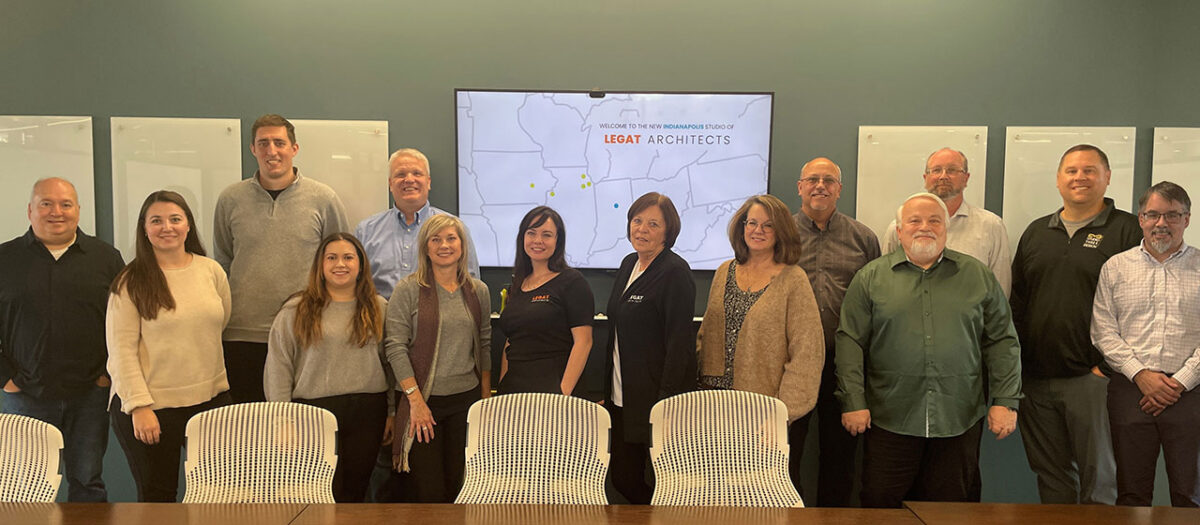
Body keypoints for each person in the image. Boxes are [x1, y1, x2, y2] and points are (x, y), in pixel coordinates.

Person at [836, 193, 1022, 508]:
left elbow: (1002, 340)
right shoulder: (870, 278)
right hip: (888, 416)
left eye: (934, 220)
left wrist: (1006, 400)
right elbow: (850, 341)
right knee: (881, 505)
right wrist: (852, 400)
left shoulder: (977, 276)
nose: (925, 227)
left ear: (946, 228)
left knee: (951, 508)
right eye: (915, 221)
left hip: (958, 417)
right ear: (899, 230)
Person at [1011, 144, 1140, 504]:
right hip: (1036, 379)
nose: (1079, 177)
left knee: (1100, 478)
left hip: (1094, 380)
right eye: (1071, 170)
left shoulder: (1128, 231)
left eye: (1089, 170)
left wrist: (1106, 368)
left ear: (1107, 178)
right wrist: (1018, 367)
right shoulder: (1037, 232)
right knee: (1051, 478)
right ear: (1058, 179)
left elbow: (1141, 308)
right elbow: (1018, 303)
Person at [0, 177, 124, 502]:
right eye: (46, 203)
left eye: (65, 204)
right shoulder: (4, 259)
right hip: (25, 394)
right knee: (25, 487)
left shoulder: (106, 258)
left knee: (87, 483)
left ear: (78, 211)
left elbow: (125, 324)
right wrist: (6, 379)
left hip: (89, 396)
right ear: (30, 210)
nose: (57, 212)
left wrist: (106, 376)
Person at [214, 114, 350, 404]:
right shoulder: (230, 199)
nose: (271, 151)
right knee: (249, 429)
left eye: (279, 143)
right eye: (263, 143)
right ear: (253, 149)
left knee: (300, 429)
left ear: (294, 148)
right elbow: (224, 259)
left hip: (305, 330)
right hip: (243, 334)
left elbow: (339, 263)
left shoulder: (323, 199)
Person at [106, 190, 232, 502]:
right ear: (144, 229)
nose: (167, 227)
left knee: (218, 493)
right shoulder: (130, 281)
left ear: (188, 225)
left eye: (175, 219)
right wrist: (139, 406)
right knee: (159, 498)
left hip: (210, 401)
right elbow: (120, 351)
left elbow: (221, 322)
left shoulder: (211, 271)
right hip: (151, 407)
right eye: (156, 221)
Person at [697, 194, 824, 473]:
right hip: (715, 408)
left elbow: (808, 354)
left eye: (768, 225)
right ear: (741, 227)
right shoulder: (724, 271)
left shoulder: (794, 280)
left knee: (766, 498)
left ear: (782, 232)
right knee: (717, 493)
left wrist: (783, 413)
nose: (758, 230)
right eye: (752, 222)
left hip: (765, 414)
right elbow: (706, 334)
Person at [1092, 181, 1200, 507]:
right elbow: (1103, 331)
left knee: (1190, 494)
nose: (1161, 223)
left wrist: (1180, 382)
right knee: (1131, 493)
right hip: (1130, 391)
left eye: (1172, 215)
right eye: (1152, 215)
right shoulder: (1116, 267)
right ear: (1140, 218)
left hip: (1191, 392)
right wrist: (1141, 375)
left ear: (1187, 219)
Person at [264, 232, 389, 503]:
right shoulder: (296, 309)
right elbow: (278, 367)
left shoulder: (379, 308)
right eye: (331, 258)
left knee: (356, 492)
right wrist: (282, 420)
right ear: (320, 266)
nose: (340, 264)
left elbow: (389, 364)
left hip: (368, 411)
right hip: (312, 412)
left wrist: (391, 412)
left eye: (348, 257)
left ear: (361, 265)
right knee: (321, 493)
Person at [384, 214, 491, 503]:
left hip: (465, 402)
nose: (444, 245)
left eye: (451, 238)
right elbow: (395, 347)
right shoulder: (408, 290)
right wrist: (415, 402)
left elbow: (483, 344)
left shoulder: (477, 291)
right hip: (423, 403)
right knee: (429, 492)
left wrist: (483, 399)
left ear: (462, 245)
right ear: (426, 247)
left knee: (462, 488)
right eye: (436, 239)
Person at [792, 157, 881, 505]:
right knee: (786, 451)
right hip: (793, 361)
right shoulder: (780, 234)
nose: (820, 186)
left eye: (828, 180)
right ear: (800, 186)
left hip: (844, 361)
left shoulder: (863, 238)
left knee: (840, 456)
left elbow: (878, 299)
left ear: (839, 190)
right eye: (812, 179)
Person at [604, 192, 696, 504]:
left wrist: (665, 402)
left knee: (665, 485)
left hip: (657, 400)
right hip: (621, 396)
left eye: (653, 224)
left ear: (668, 232)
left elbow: (679, 342)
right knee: (623, 478)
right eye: (637, 220)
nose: (642, 229)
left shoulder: (675, 271)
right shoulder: (629, 263)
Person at [882, 148, 1011, 296]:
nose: (943, 176)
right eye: (936, 170)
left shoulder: (991, 225)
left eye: (952, 170)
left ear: (966, 178)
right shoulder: (899, 227)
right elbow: (886, 281)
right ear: (925, 178)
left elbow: (1000, 290)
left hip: (971, 319)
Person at [356, 147, 480, 299]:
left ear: (428, 182)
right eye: (400, 174)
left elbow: (471, 283)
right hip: (380, 319)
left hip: (439, 319)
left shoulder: (455, 228)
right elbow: (355, 285)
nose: (409, 179)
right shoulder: (366, 231)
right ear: (390, 184)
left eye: (417, 173)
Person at [497, 206, 594, 395]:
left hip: (553, 393)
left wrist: (562, 394)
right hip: (514, 392)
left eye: (547, 235)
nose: (538, 241)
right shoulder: (517, 285)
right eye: (531, 233)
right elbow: (511, 341)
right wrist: (502, 388)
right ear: (522, 238)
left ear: (558, 241)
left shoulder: (572, 282)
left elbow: (584, 342)